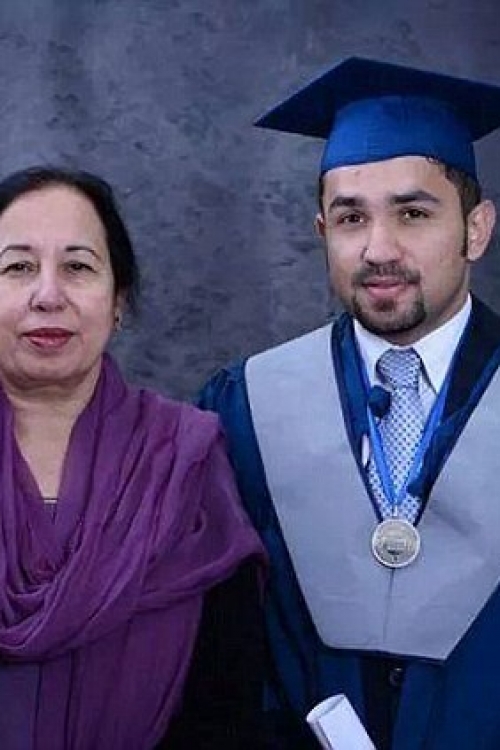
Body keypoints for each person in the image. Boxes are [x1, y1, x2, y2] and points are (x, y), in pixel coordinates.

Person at [197, 57, 500, 749]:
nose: (377, 248)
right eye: (350, 217)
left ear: (476, 229)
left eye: (413, 213)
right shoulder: (247, 407)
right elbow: (221, 648)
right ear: (320, 231)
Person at [0, 164, 267, 750]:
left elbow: (227, 696)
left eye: (78, 267)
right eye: (18, 268)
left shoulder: (181, 459)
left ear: (118, 300)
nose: (49, 295)